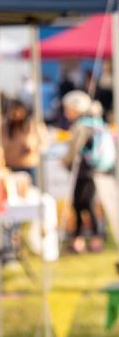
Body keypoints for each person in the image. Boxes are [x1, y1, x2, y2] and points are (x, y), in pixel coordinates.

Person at [61, 90, 107, 253]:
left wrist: (65, 162)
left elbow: (74, 149)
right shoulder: (95, 122)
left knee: (84, 204)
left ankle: (93, 239)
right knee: (83, 204)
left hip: (84, 171)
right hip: (92, 170)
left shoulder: (82, 125)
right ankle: (80, 239)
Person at [3, 99, 46, 187]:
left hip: (29, 166)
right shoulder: (5, 126)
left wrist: (33, 147)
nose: (15, 113)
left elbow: (44, 142)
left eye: (18, 110)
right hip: (10, 165)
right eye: (13, 110)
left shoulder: (33, 125)